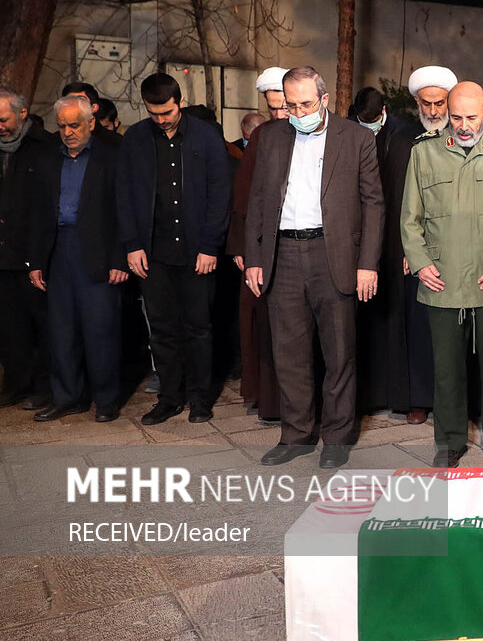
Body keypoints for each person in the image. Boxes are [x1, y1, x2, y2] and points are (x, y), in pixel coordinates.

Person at [245, 66, 384, 469]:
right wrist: (254, 259)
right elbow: (257, 203)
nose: (299, 111)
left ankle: (337, 437)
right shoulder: (270, 137)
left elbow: (374, 204)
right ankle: (297, 434)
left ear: (324, 100)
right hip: (282, 255)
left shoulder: (356, 138)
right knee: (288, 353)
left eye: (306, 103)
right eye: (291, 105)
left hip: (333, 254)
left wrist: (367, 265)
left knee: (339, 352)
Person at [402, 82, 483, 468]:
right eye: (455, 116)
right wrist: (420, 262)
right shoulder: (424, 152)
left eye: (471, 117)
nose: (462, 125)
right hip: (441, 279)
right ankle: (450, 440)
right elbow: (410, 219)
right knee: (446, 369)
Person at [117, 73, 230, 425]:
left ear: (179, 102)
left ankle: (200, 399)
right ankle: (169, 398)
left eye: (166, 112)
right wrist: (133, 245)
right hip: (154, 253)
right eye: (153, 113)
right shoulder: (135, 139)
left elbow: (219, 194)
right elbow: (124, 196)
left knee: (198, 328)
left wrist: (211, 245)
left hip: (198, 251)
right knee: (162, 330)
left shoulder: (206, 136)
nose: (161, 119)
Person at [28, 96, 128, 421]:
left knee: (101, 329)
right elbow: (38, 214)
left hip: (99, 249)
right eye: (62, 126)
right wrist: (37, 260)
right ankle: (68, 396)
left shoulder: (111, 158)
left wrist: (120, 259)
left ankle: (107, 400)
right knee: (61, 330)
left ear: (90, 123)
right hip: (59, 249)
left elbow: (125, 211)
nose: (68, 132)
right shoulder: (48, 159)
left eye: (74, 125)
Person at [350, 86, 432, 420]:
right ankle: (368, 396)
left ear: (385, 109)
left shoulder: (408, 135)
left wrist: (412, 247)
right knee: (365, 319)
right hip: (362, 241)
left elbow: (415, 196)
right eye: (362, 121)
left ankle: (411, 398)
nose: (369, 125)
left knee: (404, 320)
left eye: (374, 120)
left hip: (400, 240)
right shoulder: (347, 132)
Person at [225, 67, 289, 424]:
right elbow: (243, 196)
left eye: (285, 107)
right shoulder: (262, 136)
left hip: (298, 246)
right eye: (274, 108)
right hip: (259, 248)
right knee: (258, 322)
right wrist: (241, 248)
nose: (280, 115)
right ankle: (263, 396)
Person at [0, 87, 56, 409]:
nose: (0, 126)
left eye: (4, 119)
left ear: (22, 114)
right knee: (9, 327)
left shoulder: (44, 148)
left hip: (32, 254)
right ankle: (16, 382)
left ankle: (44, 386)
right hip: (3, 256)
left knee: (41, 326)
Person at [408, 65, 457, 133]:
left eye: (439, 104)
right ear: (417, 100)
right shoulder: (402, 137)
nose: (433, 112)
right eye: (426, 104)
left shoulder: (462, 135)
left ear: (450, 101)